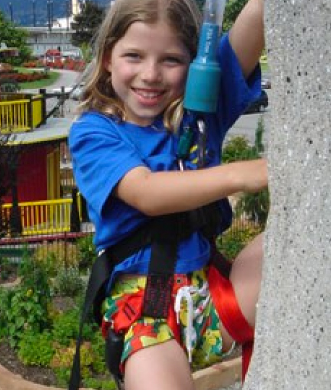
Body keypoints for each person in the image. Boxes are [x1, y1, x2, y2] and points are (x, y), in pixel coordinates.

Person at [68, 0, 267, 389]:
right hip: (146, 314)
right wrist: (242, 174)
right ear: (108, 57)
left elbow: (257, 17)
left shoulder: (200, 111)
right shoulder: (94, 132)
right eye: (134, 56)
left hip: (212, 294)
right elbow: (146, 192)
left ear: (194, 66)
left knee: (303, 245)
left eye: (171, 60)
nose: (150, 74)